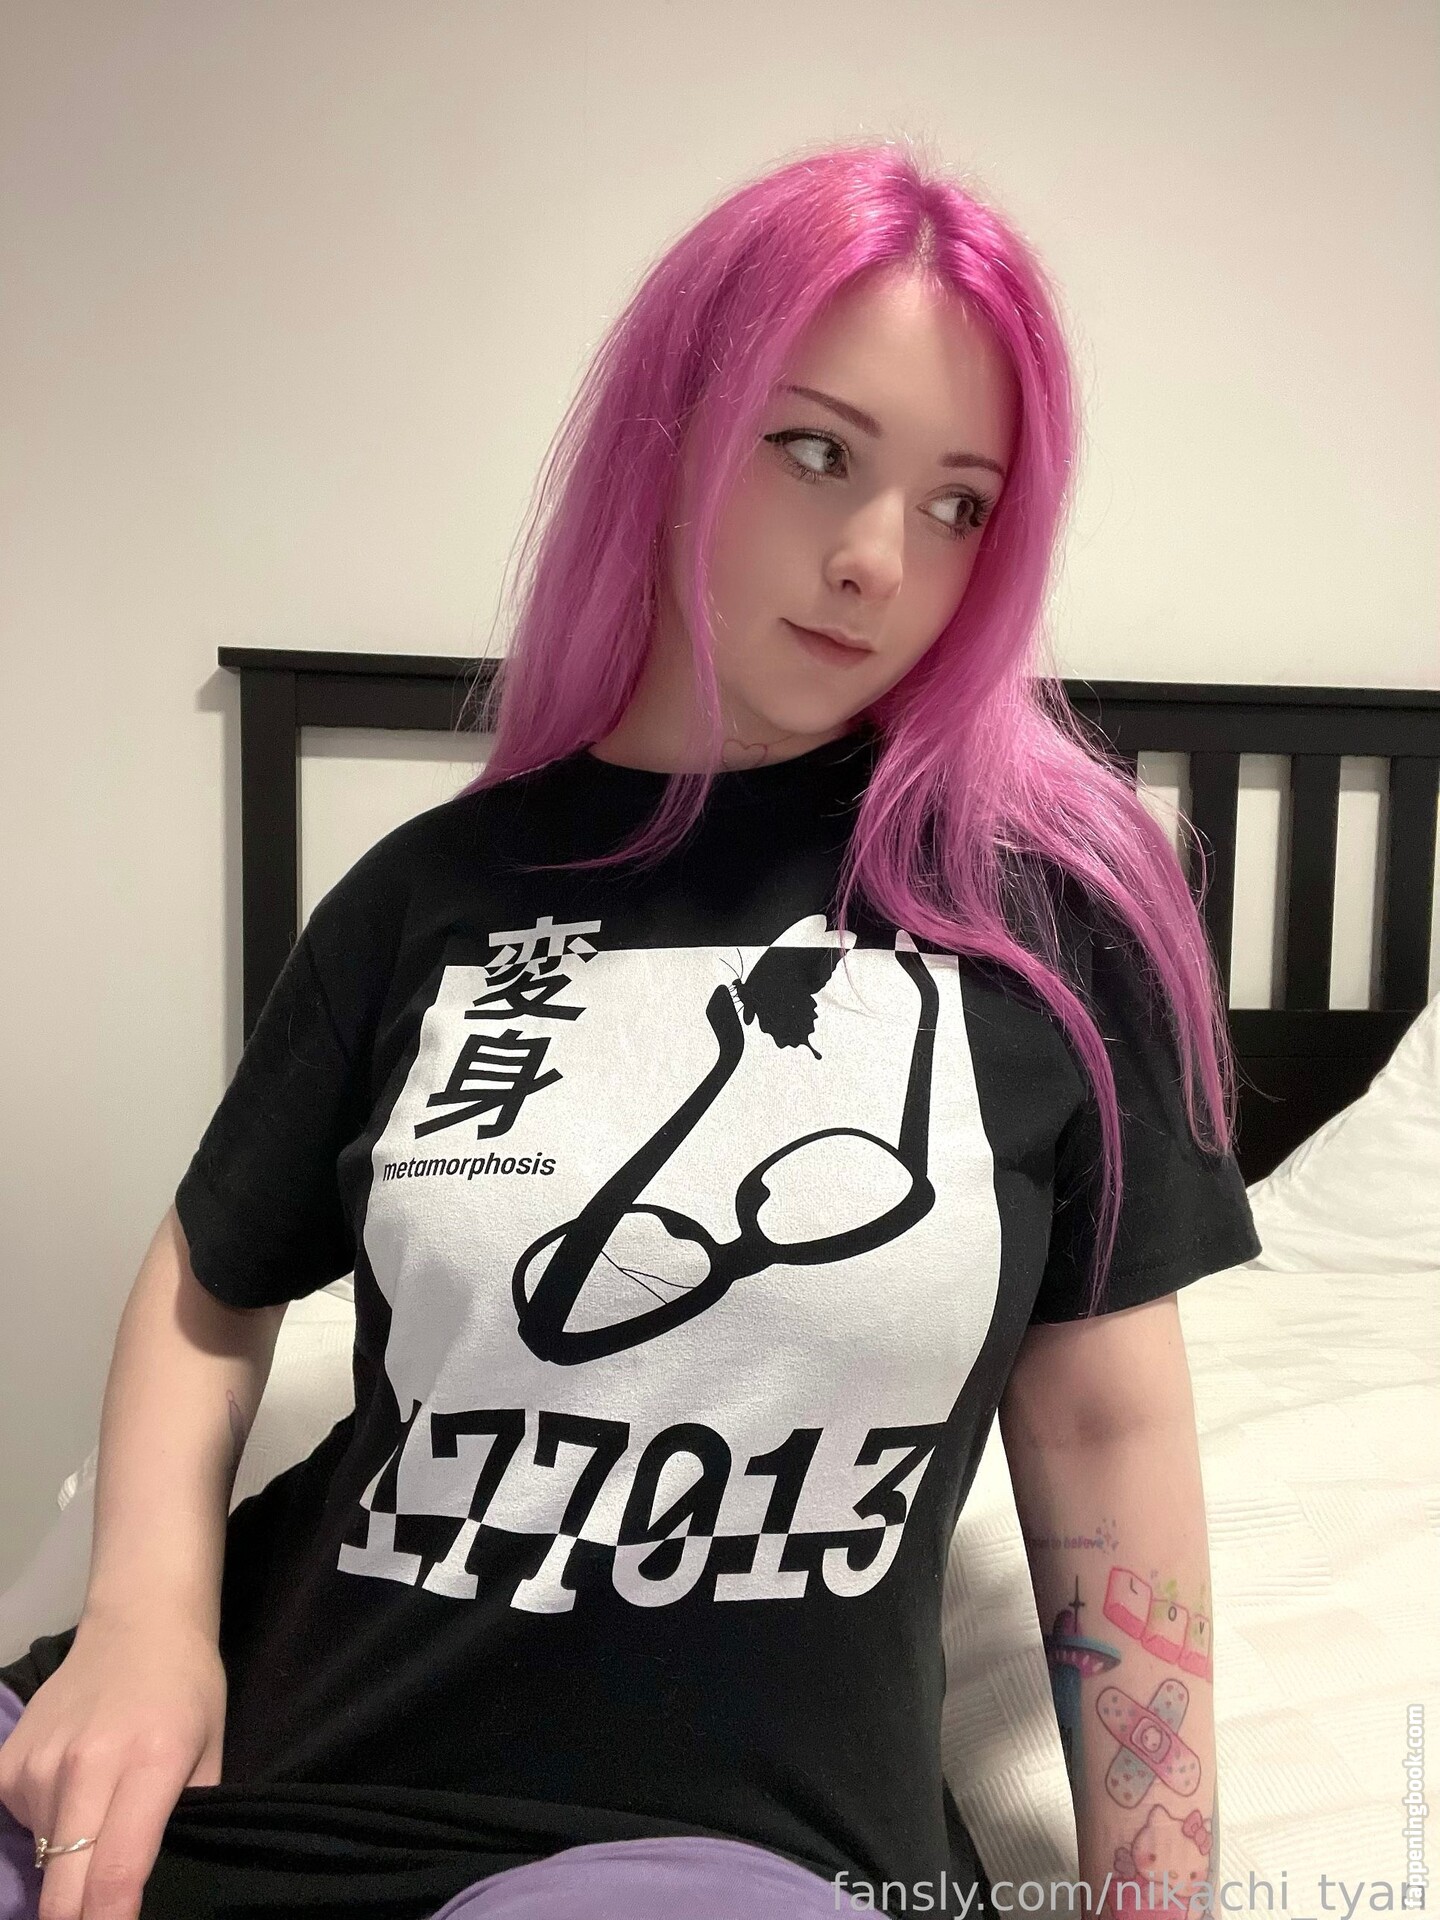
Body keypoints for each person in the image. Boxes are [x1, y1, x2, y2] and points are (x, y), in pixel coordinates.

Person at [0, 136, 1259, 1920]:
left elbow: (1108, 1441)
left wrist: (1162, 1903)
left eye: (961, 505)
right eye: (816, 451)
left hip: (719, 1854)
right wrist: (143, 1618)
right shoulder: (430, 895)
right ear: (675, 431)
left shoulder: (1050, 925)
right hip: (264, 1768)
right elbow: (211, 1278)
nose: (878, 560)